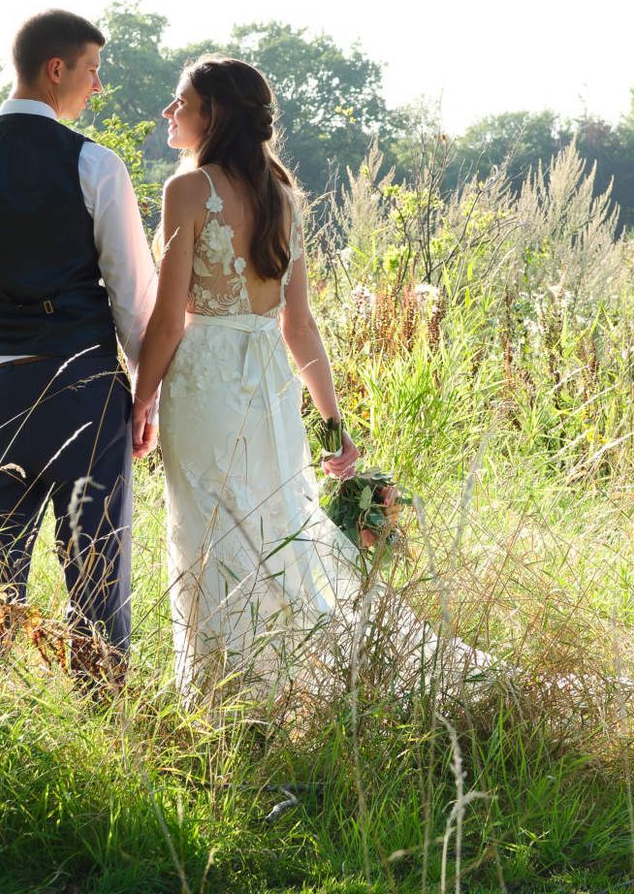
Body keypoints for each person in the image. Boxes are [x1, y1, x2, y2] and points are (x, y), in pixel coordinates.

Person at [136, 56, 473, 700]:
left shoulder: (188, 191)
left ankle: (227, 692)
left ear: (214, 115)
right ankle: (285, 679)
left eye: (181, 102)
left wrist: (141, 397)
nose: (169, 113)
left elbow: (170, 319)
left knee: (209, 524)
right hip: (268, 383)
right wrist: (333, 423)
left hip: (205, 381)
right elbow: (298, 326)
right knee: (275, 522)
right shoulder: (284, 197)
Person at [0, 9, 156, 687]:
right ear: (57, 69)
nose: (97, 87)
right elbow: (131, 295)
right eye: (91, 70)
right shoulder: (95, 165)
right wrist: (145, 393)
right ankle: (105, 722)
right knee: (95, 571)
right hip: (84, 394)